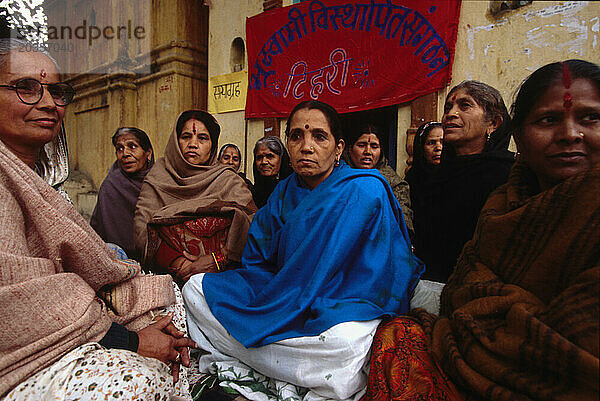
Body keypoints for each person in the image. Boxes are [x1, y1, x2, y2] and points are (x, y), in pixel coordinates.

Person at [363, 59, 600, 401]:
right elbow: (467, 282)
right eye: (548, 120)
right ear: (521, 134)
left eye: (590, 118)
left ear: (495, 123)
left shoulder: (498, 175)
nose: (569, 134)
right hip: (440, 304)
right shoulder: (502, 199)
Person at [183, 100, 423, 401]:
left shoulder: (365, 189)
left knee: (345, 342)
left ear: (338, 149)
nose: (306, 146)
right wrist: (280, 294)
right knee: (195, 289)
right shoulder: (284, 191)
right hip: (282, 292)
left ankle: (257, 356)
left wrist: (313, 297)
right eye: (296, 136)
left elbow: (383, 271)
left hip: (340, 300)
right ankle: (291, 366)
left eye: (319, 137)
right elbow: (257, 258)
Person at [0, 38, 195, 400]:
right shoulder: (107, 186)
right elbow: (20, 295)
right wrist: (129, 337)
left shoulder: (40, 183)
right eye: (26, 88)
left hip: (100, 289)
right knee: (137, 379)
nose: (46, 102)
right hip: (38, 337)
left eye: (56, 91)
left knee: (179, 301)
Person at [133, 110, 256, 286]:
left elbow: (252, 225)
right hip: (171, 280)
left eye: (202, 138)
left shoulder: (229, 181)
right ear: (176, 141)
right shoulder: (158, 178)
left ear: (213, 145)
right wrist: (180, 264)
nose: (193, 144)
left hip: (225, 279)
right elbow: (142, 229)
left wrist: (218, 259)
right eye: (186, 136)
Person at [413, 81, 515, 283]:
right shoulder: (436, 176)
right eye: (448, 107)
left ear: (493, 123)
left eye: (465, 105)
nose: (451, 113)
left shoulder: (509, 174)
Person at [90, 127, 154, 260]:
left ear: (148, 152)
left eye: (132, 146)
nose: (125, 153)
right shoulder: (112, 185)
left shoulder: (159, 181)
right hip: (119, 258)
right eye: (119, 149)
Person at [344, 122, 414, 236]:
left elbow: (403, 223)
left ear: (381, 151)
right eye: (361, 145)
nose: (368, 152)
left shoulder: (394, 184)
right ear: (350, 149)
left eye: (374, 146)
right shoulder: (337, 177)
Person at [251, 135, 293, 208]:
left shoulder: (294, 188)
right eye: (259, 157)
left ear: (281, 159)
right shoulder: (253, 193)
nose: (264, 162)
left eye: (270, 156)